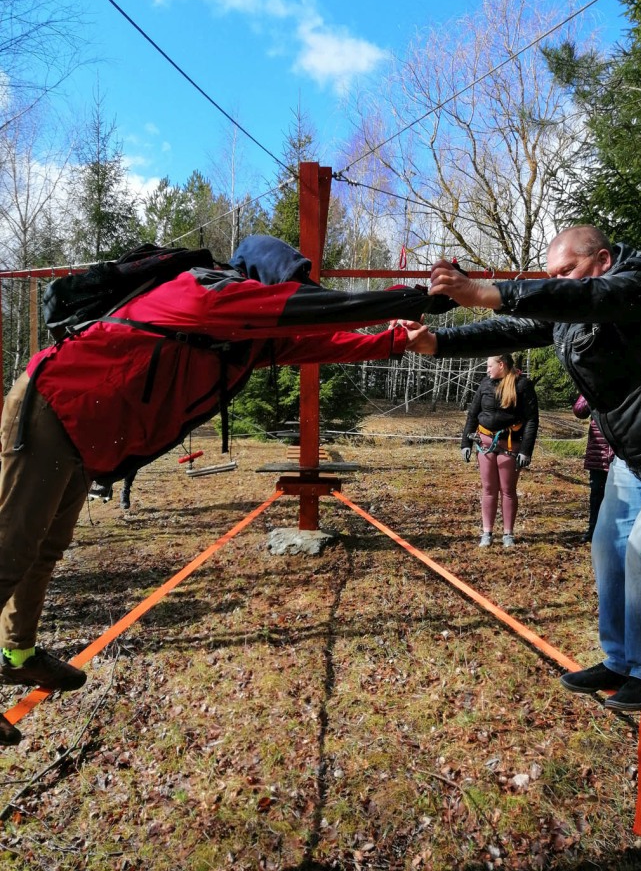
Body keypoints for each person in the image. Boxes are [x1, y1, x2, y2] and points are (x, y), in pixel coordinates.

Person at [0, 235, 452, 746]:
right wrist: (414, 295)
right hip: (54, 405)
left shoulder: (242, 334)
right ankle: (14, 653)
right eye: (290, 289)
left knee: (44, 550)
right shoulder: (205, 293)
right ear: (263, 279)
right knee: (11, 548)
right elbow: (317, 312)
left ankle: (18, 655)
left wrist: (393, 340)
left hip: (86, 431)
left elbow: (320, 338)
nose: (294, 298)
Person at [403, 224, 641, 712]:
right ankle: (620, 662)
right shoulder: (572, 313)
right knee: (608, 548)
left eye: (568, 272)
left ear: (603, 260)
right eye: (553, 275)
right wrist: (438, 344)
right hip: (635, 456)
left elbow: (587, 300)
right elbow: (511, 328)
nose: (561, 282)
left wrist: (482, 291)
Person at [461, 354, 538, 547]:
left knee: (508, 490)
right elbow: (473, 414)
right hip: (485, 443)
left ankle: (507, 534)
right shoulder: (485, 384)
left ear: (501, 365)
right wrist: (465, 443)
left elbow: (532, 420)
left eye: (489, 366)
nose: (486, 370)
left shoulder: (523, 386)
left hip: (510, 445)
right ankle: (487, 533)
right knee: (488, 489)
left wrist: (526, 450)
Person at [572, 394, 614, 542]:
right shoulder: (594, 383)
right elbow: (579, 411)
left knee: (621, 493)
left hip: (621, 449)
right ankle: (593, 529)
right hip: (599, 450)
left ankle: (614, 532)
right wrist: (588, 392)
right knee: (597, 491)